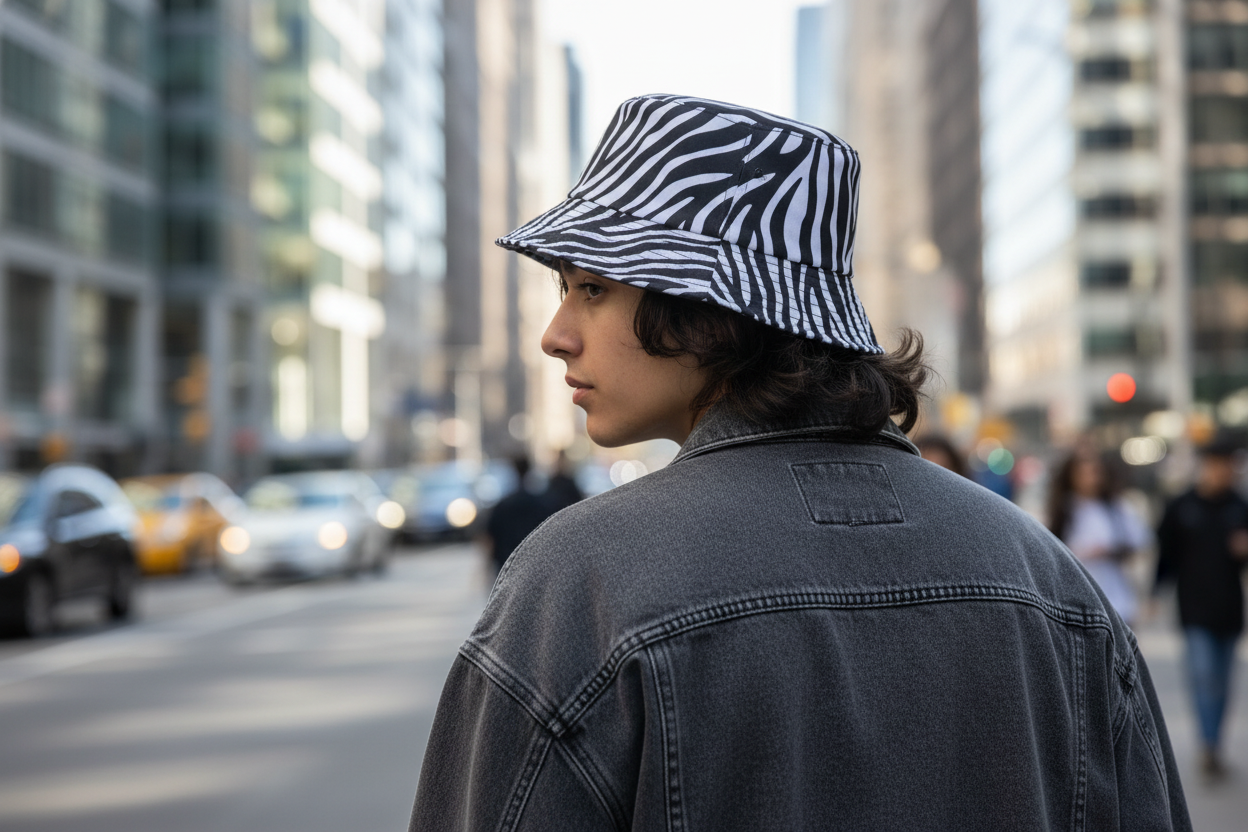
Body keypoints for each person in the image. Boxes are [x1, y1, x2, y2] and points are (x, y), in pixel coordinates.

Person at [409, 94, 1189, 830]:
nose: (556, 333)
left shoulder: (582, 582)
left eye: (591, 288)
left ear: (709, 309)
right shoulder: (1047, 577)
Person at [1156, 431, 1248, 779]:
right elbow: (1165, 555)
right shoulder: (1182, 507)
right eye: (1218, 465)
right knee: (1204, 676)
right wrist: (1153, 593)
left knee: (1224, 682)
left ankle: (1215, 742)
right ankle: (1208, 745)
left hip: (1229, 608)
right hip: (1194, 607)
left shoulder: (1239, 507)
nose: (1224, 472)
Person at [1047, 450, 1150, 626]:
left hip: (1116, 600)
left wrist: (1110, 551)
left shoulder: (1115, 508)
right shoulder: (1064, 511)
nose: (1090, 479)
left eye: (1094, 472)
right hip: (1074, 601)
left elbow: (1139, 541)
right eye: (1083, 473)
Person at [481, 456, 551, 577]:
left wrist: (486, 567)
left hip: (506, 563)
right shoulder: (541, 503)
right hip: (534, 563)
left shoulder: (503, 504)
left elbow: (490, 536)